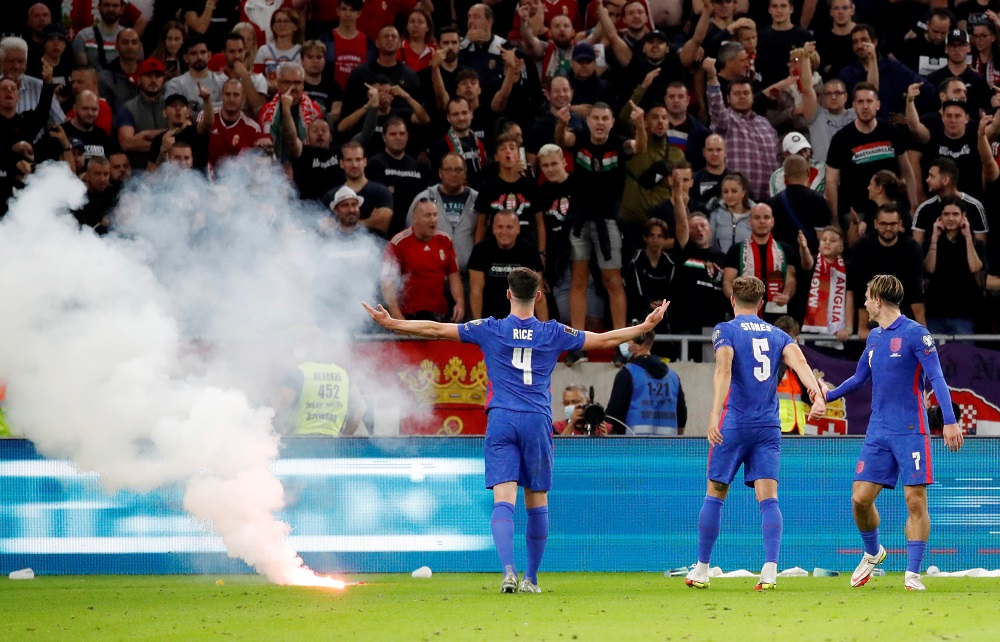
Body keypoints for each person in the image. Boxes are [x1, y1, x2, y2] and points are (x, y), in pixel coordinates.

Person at [363, 267, 669, 594]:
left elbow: (437, 329)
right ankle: (531, 579)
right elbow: (605, 339)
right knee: (536, 500)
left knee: (503, 499)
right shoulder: (554, 332)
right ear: (538, 296)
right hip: (536, 421)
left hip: (502, 419)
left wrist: (393, 323)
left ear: (508, 294)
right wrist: (645, 326)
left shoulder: (490, 328)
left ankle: (508, 571)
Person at [821, 274, 964, 591]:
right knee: (860, 498)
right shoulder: (873, 338)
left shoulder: (916, 335)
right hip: (878, 431)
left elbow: (937, 378)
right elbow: (859, 379)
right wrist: (826, 396)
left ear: (878, 300)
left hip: (911, 430)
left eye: (867, 296)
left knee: (915, 502)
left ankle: (912, 574)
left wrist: (950, 420)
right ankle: (873, 552)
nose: (864, 302)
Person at [685, 275, 825, 591]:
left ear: (732, 300)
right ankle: (770, 572)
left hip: (734, 424)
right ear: (761, 304)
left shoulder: (726, 330)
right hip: (768, 427)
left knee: (716, 491)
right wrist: (815, 393)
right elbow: (800, 362)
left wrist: (712, 415)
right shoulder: (778, 335)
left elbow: (723, 369)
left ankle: (702, 569)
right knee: (769, 496)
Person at [381, 198, 465, 322]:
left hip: (439, 315)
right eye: (427, 215)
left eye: (435, 215)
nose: (433, 220)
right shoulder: (398, 243)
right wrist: (396, 316)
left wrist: (460, 303)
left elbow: (453, 275)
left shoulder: (445, 240)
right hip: (409, 315)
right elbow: (387, 282)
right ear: (415, 218)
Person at [922, 196, 985, 335]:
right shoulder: (930, 242)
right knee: (936, 355)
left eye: (955, 214)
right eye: (946, 214)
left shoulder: (975, 243)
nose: (950, 218)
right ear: (940, 217)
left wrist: (968, 236)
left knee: (963, 355)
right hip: (936, 311)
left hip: (964, 312)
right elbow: (929, 268)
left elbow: (975, 267)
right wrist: (934, 239)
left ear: (964, 216)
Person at [605, 328, 686, 435]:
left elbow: (613, 418)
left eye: (627, 340)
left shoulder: (627, 374)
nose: (623, 343)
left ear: (639, 344)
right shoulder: (673, 377)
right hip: (668, 449)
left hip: (633, 448)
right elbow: (681, 420)